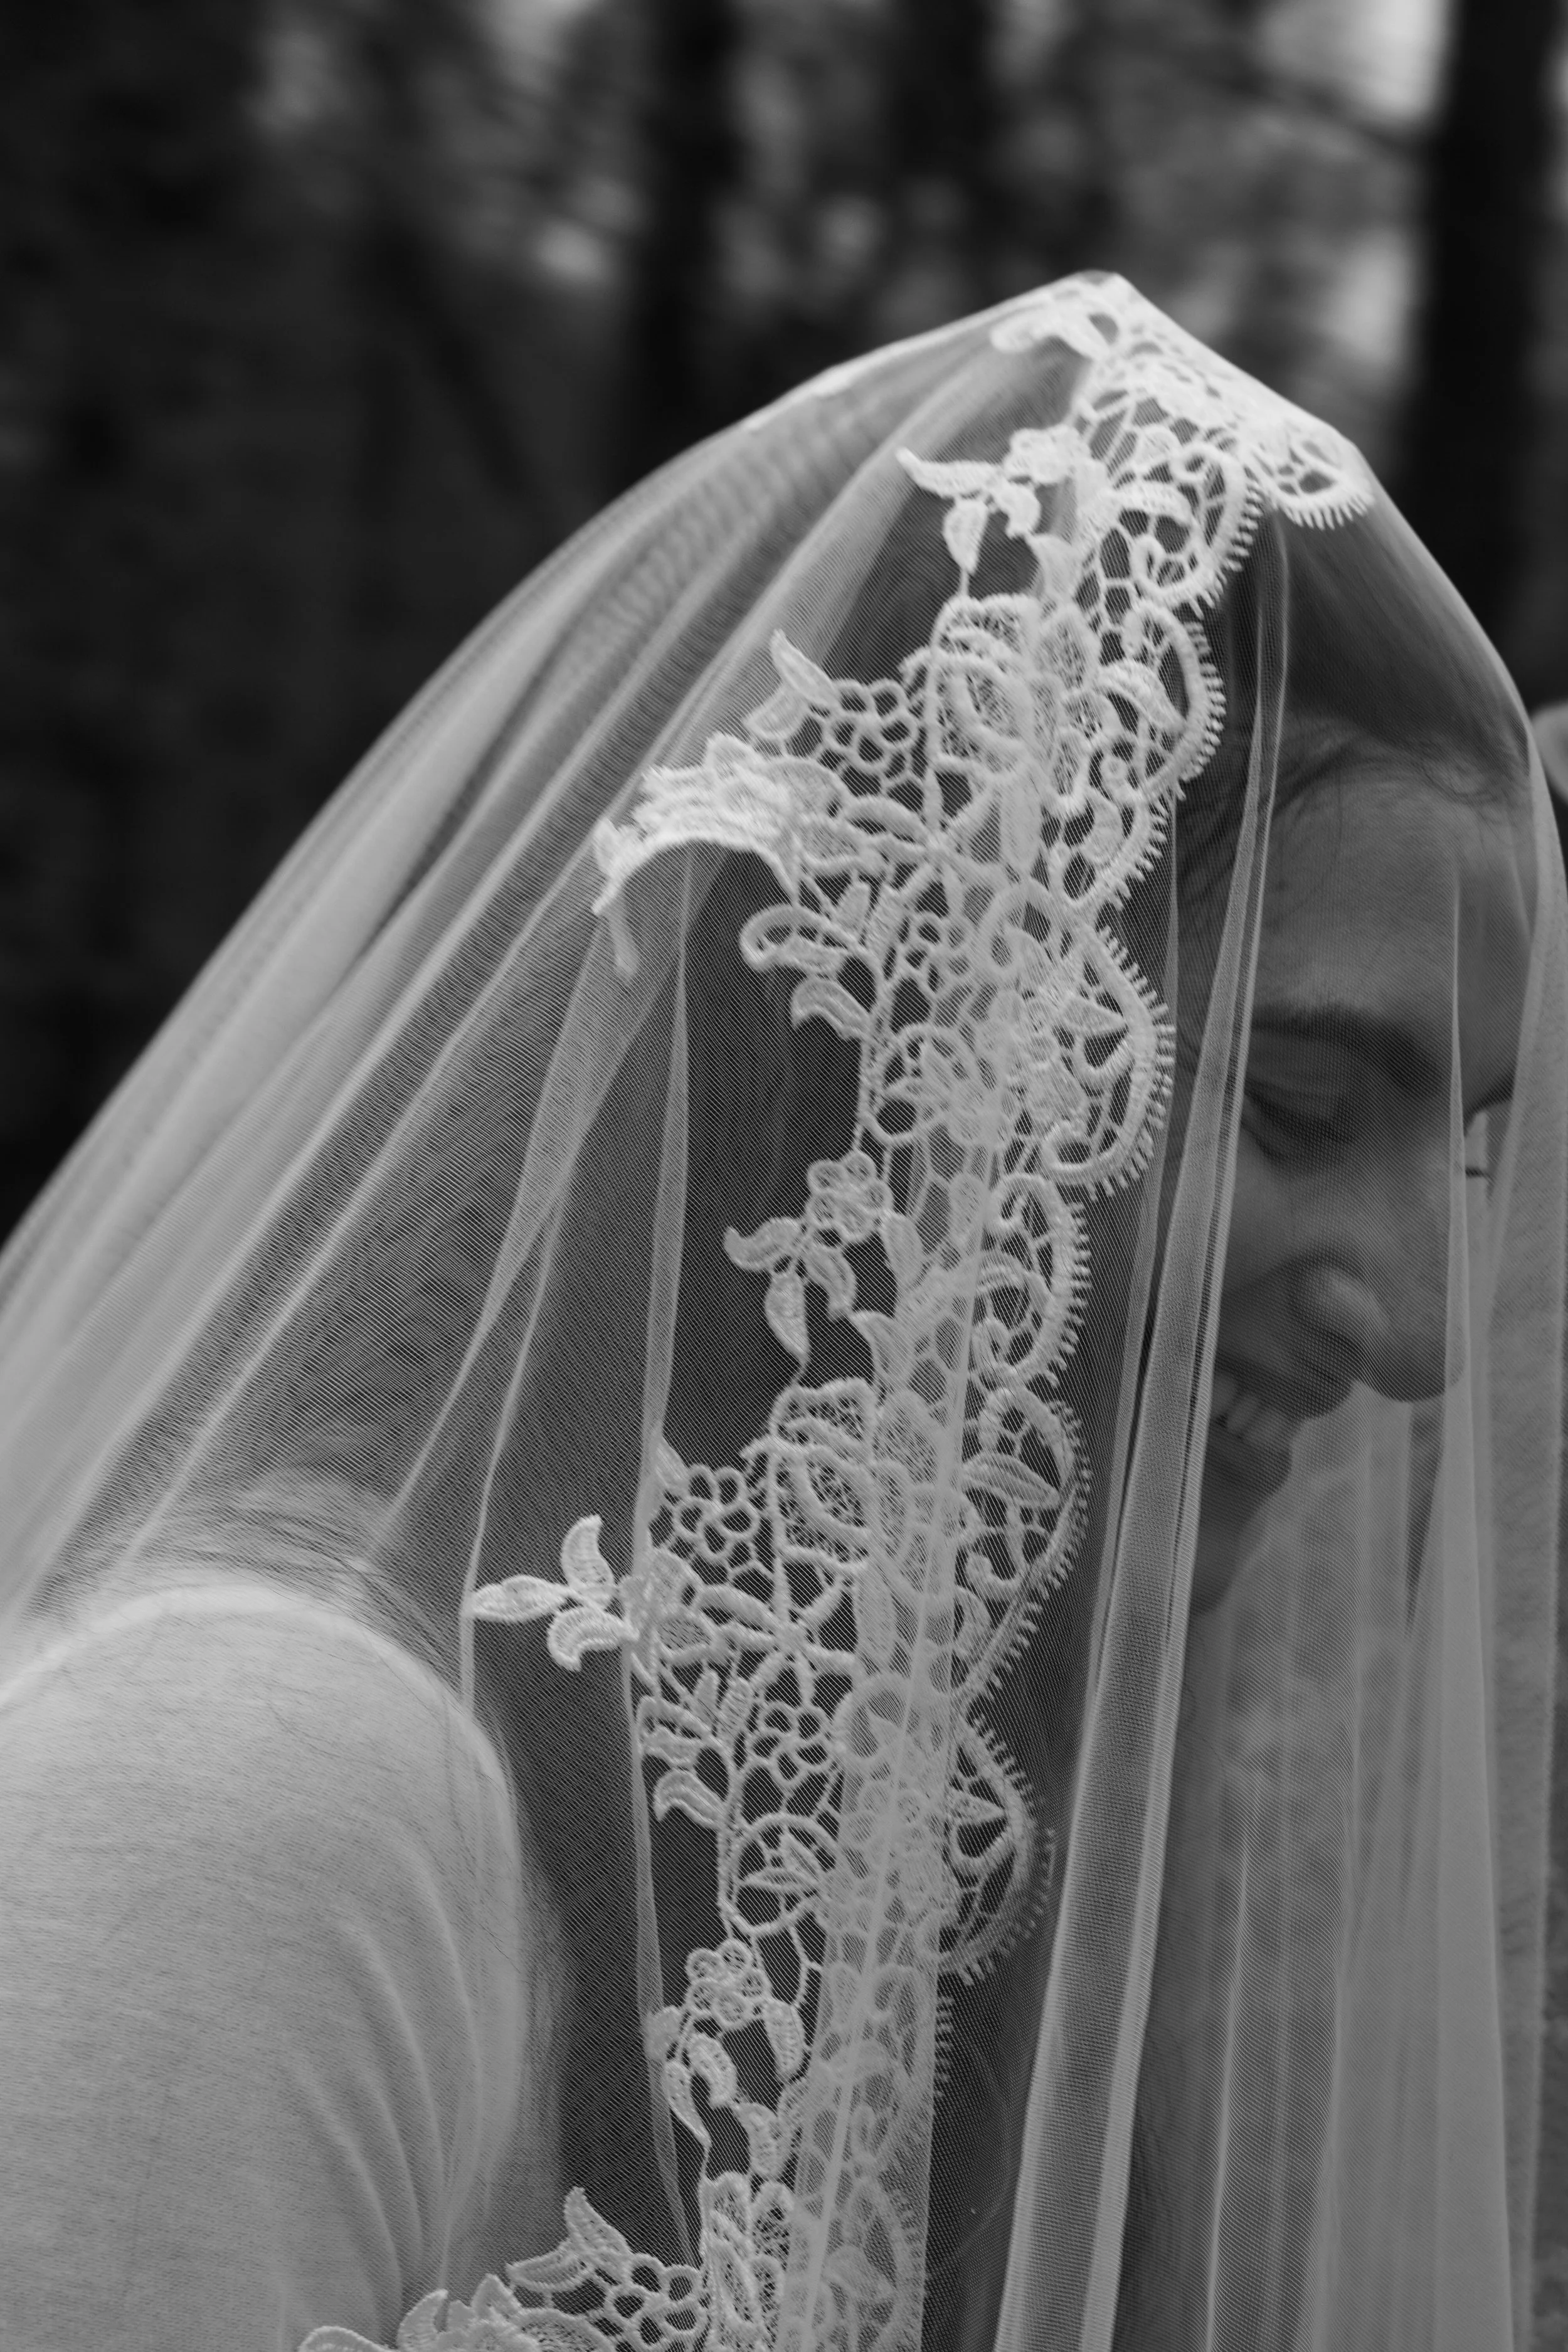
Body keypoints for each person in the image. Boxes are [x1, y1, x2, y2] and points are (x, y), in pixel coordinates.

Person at [0, 273, 1562, 2352]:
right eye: (1293, 1100)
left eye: (1456, 1146)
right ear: (897, 1050)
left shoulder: (926, 1905)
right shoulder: (252, 1816)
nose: (1422, 1328)